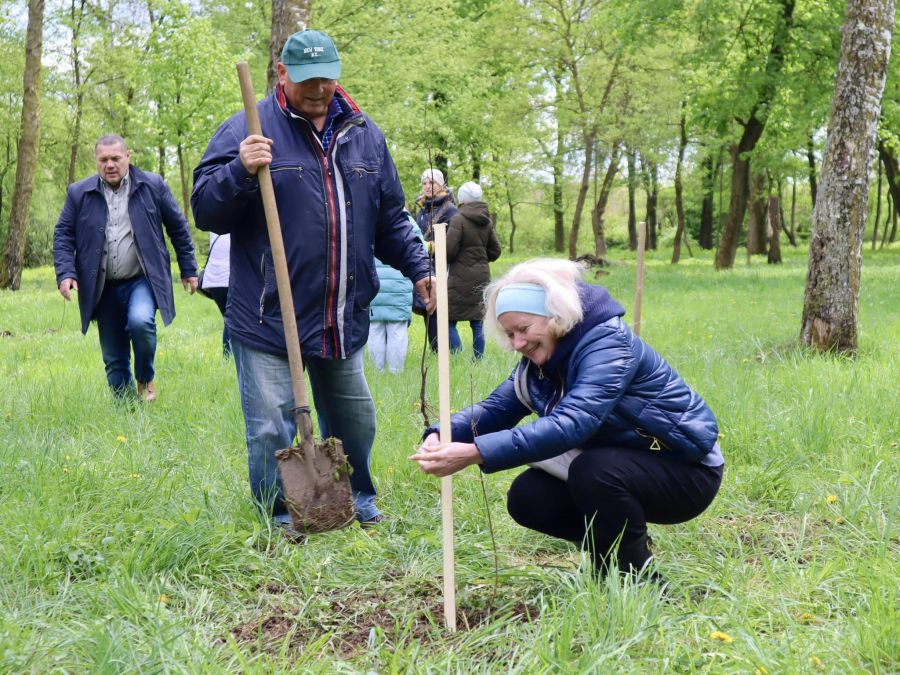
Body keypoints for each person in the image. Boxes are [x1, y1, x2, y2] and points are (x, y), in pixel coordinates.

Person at [191, 29, 434, 527]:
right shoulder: (247, 128)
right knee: (269, 427)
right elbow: (205, 210)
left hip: (341, 312)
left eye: (327, 79)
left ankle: (357, 497)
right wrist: (239, 169)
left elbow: (390, 218)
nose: (318, 89)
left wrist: (419, 269)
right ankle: (282, 514)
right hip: (268, 311)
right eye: (306, 80)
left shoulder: (364, 133)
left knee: (354, 417)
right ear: (282, 74)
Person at [411, 258, 723, 580]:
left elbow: (573, 422)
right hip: (623, 465)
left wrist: (476, 452)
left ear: (555, 316)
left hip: (686, 469)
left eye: (524, 329)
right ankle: (607, 562)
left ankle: (639, 580)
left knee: (593, 470)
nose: (517, 343)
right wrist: (442, 433)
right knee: (528, 496)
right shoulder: (539, 364)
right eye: (509, 333)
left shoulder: (608, 344)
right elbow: (495, 410)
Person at [53, 134, 199, 402]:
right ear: (96, 161)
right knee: (114, 358)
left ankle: (145, 378)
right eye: (103, 159)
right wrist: (66, 273)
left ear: (128, 157)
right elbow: (63, 233)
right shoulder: (79, 192)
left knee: (141, 322)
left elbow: (178, 227)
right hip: (101, 285)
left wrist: (189, 268)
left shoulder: (152, 185)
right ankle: (127, 413)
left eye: (116, 158)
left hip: (141, 279)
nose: (110, 164)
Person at [446, 181, 501, 359]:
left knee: (448, 319)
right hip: (482, 276)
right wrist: (481, 259)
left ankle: (456, 356)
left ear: (461, 199)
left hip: (458, 278)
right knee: (477, 322)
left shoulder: (458, 219)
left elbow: (448, 251)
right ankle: (478, 359)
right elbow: (496, 251)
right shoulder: (487, 221)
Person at [368, 215, 425, 373]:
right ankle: (395, 371)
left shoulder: (370, 217)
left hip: (374, 282)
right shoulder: (407, 221)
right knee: (397, 329)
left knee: (374, 328)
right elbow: (420, 250)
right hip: (400, 283)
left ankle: (377, 371)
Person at [415, 168, 457, 351]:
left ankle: (444, 350)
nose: (427, 187)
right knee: (426, 306)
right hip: (424, 263)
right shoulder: (423, 208)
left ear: (441, 185)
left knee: (437, 309)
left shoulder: (449, 209)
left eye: (431, 182)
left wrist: (431, 246)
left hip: (441, 265)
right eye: (424, 183)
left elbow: (454, 242)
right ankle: (434, 350)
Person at [198, 232, 232, 357]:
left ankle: (228, 356)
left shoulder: (216, 218)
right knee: (233, 319)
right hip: (228, 276)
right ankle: (229, 357)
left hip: (214, 278)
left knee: (229, 318)